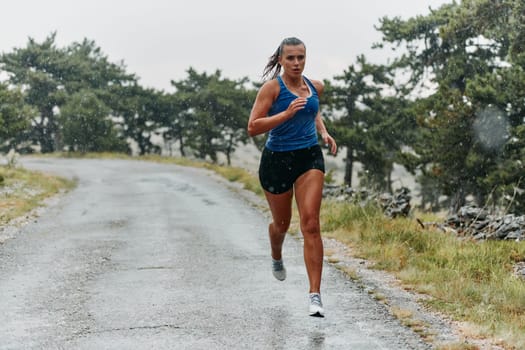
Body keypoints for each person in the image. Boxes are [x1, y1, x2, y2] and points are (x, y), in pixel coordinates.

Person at [247, 37, 337, 317]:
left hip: (308, 156)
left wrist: (323, 131)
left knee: (310, 223)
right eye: (291, 59)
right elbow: (253, 127)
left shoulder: (315, 86)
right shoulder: (271, 89)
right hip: (276, 160)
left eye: (301, 58)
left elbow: (313, 109)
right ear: (281, 60)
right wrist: (285, 114)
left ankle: (315, 296)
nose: (296, 63)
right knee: (281, 224)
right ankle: (276, 252)